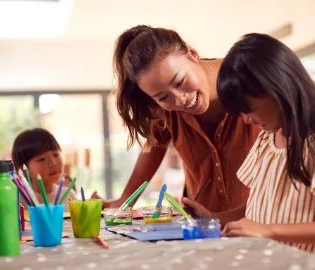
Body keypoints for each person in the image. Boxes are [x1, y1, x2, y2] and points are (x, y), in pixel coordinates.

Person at [92, 25, 260, 225]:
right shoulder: (165, 110)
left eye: (180, 81)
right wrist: (125, 200)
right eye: (163, 97)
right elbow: (154, 145)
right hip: (203, 227)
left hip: (262, 222)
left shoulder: (251, 81)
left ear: (192, 54)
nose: (180, 100)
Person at [213, 33, 315, 255]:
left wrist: (269, 231)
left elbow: (265, 226)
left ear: (277, 87)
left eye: (249, 109)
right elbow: (262, 206)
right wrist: (216, 218)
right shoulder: (266, 141)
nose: (246, 119)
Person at [0, 128, 76, 210]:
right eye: (41, 159)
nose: (53, 163)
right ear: (23, 167)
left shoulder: (69, 195)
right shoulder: (11, 193)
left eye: (56, 155)